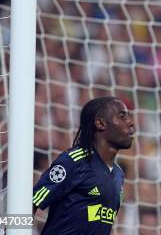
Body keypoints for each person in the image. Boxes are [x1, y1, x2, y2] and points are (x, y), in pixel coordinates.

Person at [32, 96, 135, 234]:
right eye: (122, 116)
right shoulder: (74, 161)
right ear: (100, 124)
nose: (131, 123)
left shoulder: (118, 174)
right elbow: (32, 201)